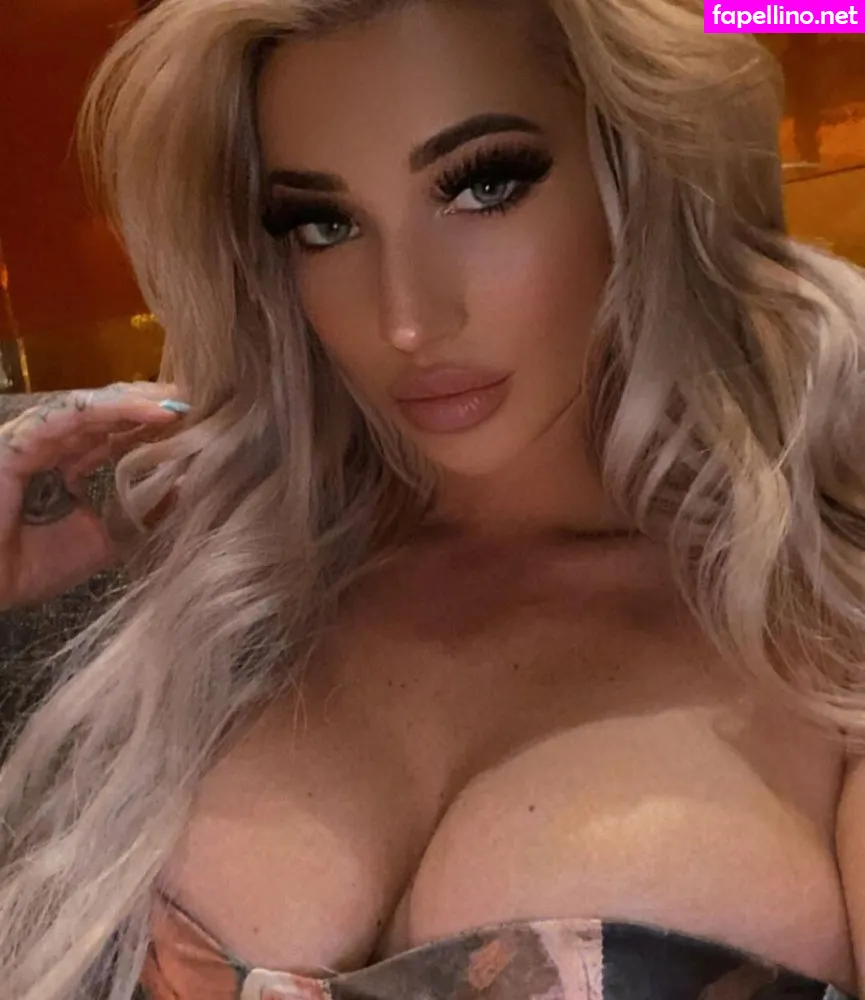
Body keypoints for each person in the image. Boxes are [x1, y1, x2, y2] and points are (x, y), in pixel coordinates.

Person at [1, 0, 864, 997]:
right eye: (324, 224)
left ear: (635, 171)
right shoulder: (233, 588)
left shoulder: (823, 613)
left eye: (483, 187)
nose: (406, 319)